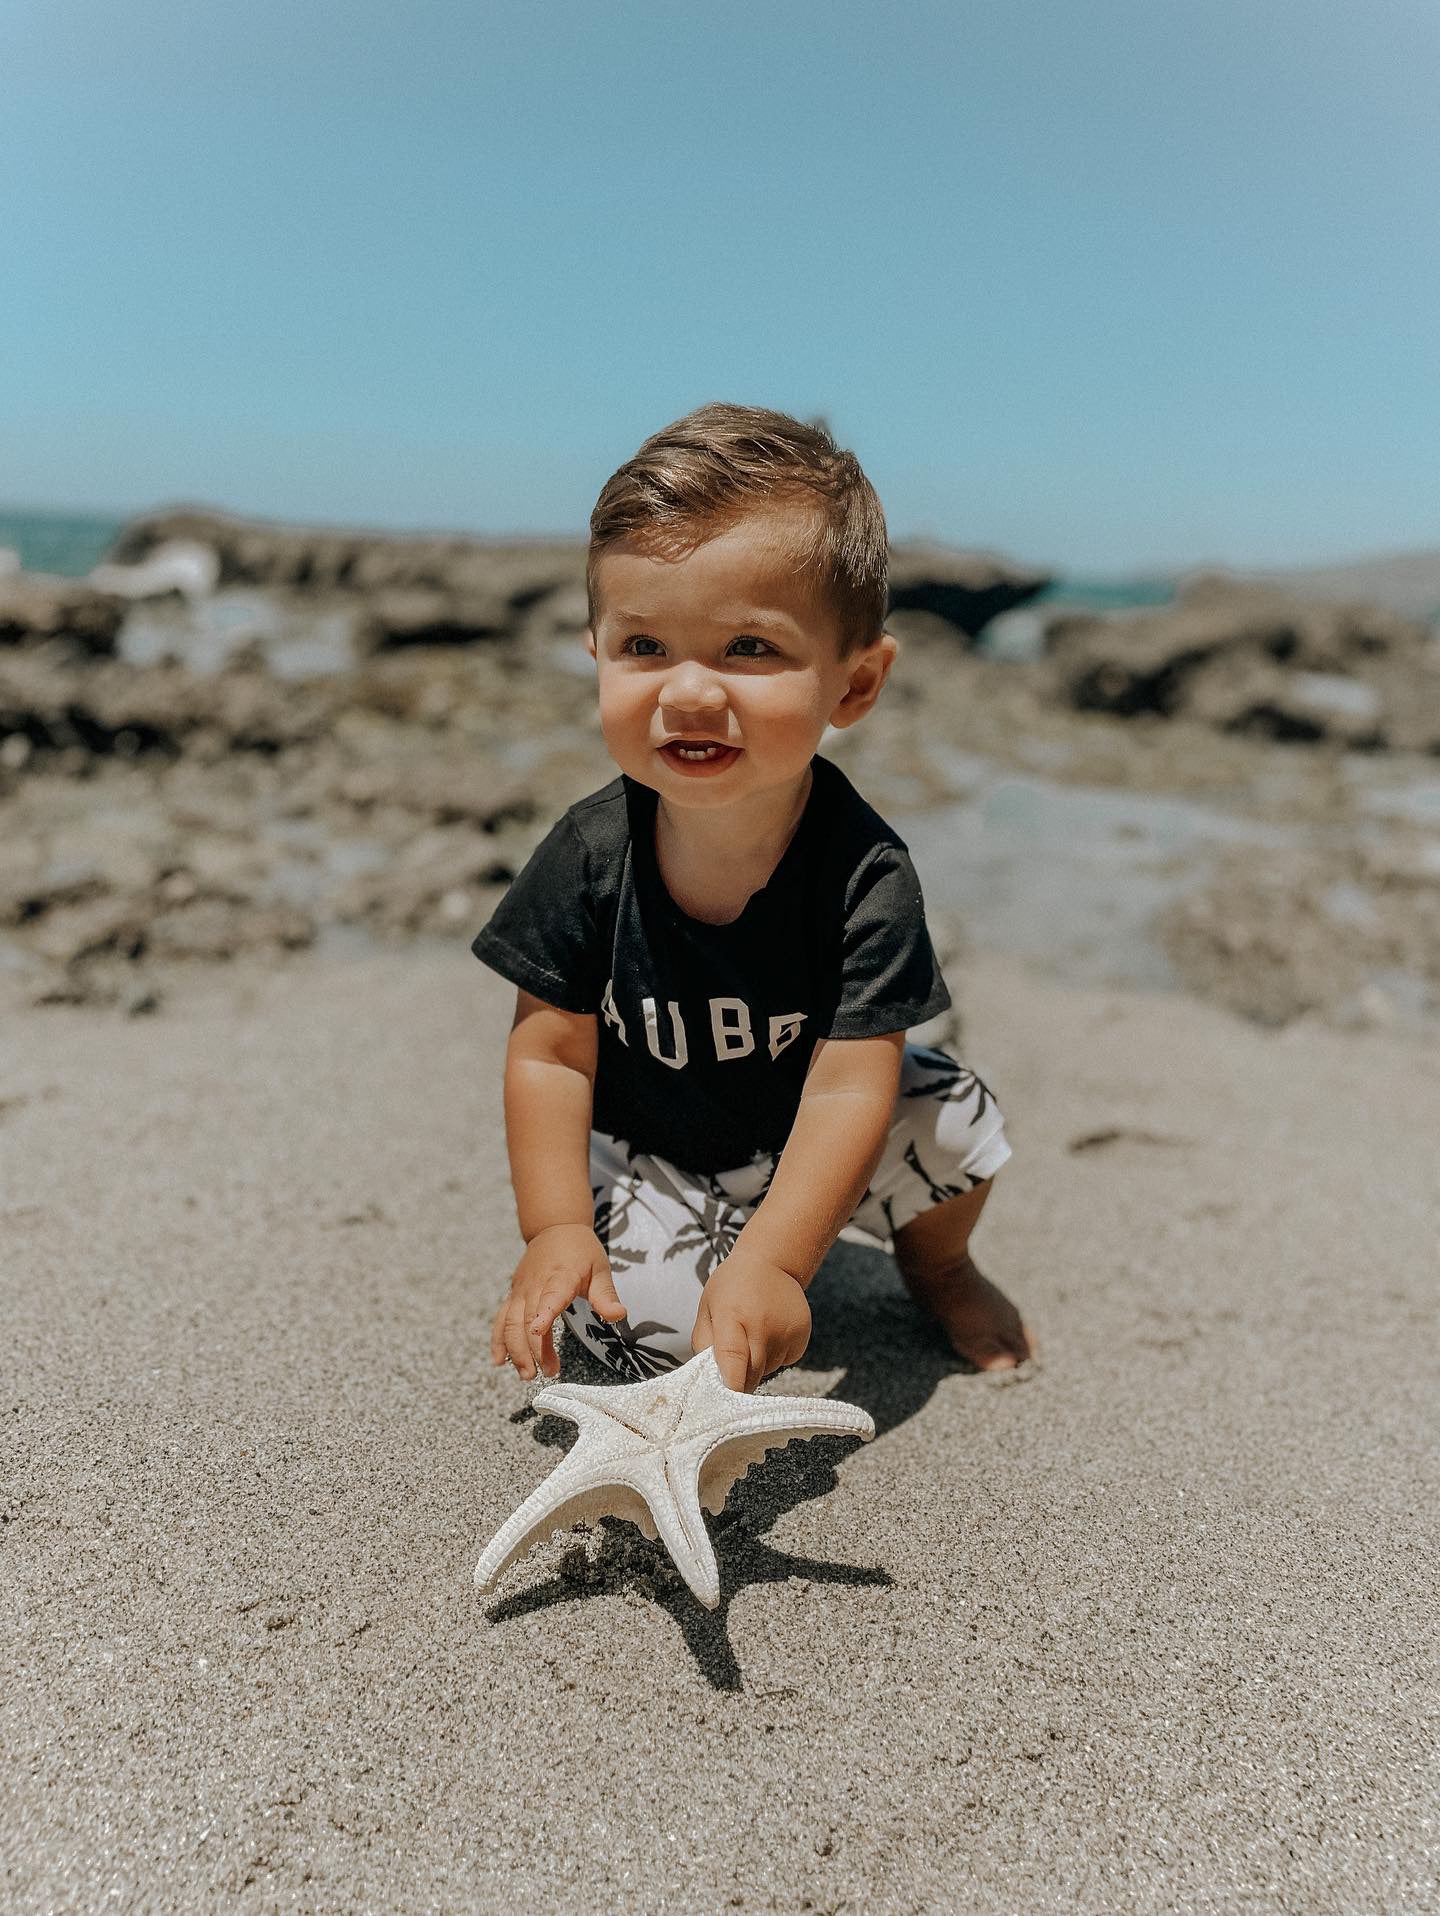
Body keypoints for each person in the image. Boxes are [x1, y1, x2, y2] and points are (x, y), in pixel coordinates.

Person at [472, 403, 1033, 1393]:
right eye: (644, 645)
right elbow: (552, 1052)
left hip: (817, 1128)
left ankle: (936, 1263)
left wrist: (776, 1259)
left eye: (749, 648)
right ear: (595, 650)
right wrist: (553, 1224)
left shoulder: (866, 876)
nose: (689, 692)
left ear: (854, 686)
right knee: (638, 1338)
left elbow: (855, 1084)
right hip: (655, 1147)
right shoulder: (589, 854)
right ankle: (652, 1246)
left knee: (958, 1119)